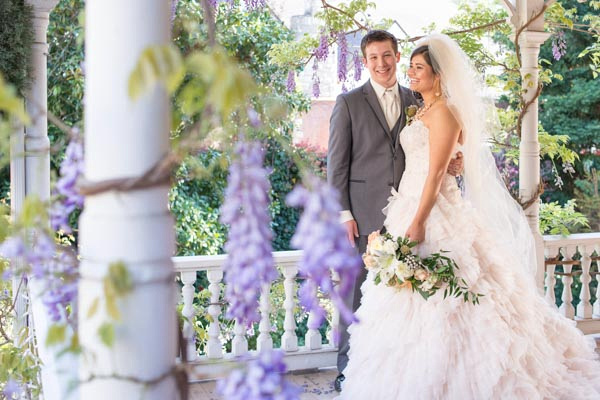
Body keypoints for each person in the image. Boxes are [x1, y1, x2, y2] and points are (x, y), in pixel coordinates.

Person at [337, 33, 600, 399]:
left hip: (430, 210)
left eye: (417, 67)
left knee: (454, 293)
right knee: (400, 300)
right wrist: (452, 161)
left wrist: (419, 220)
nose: (409, 72)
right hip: (401, 205)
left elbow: (434, 172)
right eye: (409, 66)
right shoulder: (419, 105)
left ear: (438, 74)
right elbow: (428, 156)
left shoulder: (443, 110)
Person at [327, 30, 463, 392]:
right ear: (364, 61)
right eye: (373, 57)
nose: (381, 64)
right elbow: (335, 166)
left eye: (387, 56)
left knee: (401, 298)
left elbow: (438, 149)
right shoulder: (348, 102)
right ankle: (347, 371)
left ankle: (396, 372)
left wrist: (454, 162)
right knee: (355, 293)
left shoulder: (415, 100)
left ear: (397, 56)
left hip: (408, 210)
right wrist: (343, 214)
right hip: (363, 214)